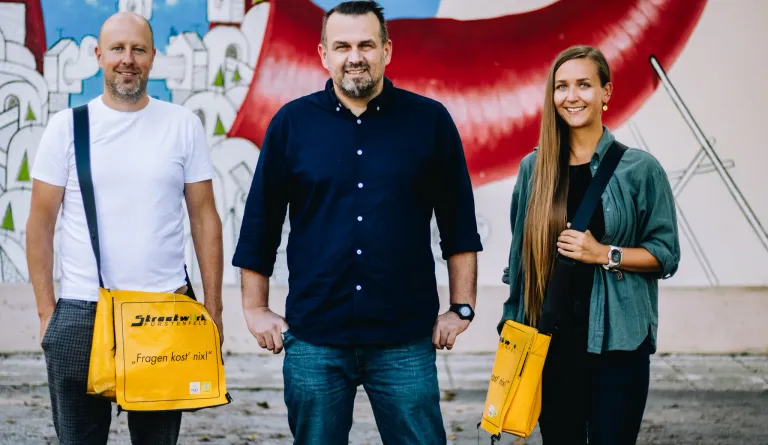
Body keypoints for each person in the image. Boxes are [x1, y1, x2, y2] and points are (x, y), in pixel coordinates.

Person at [232, 1, 483, 443]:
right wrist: (254, 308)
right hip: (315, 338)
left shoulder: (429, 122)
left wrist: (461, 306)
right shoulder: (292, 123)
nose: (355, 56)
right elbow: (260, 224)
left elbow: (458, 222)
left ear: (387, 50)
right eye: (343, 45)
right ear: (323, 54)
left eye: (366, 44)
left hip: (404, 338)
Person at [26, 12, 223, 445]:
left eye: (138, 49)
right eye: (117, 48)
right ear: (99, 55)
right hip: (82, 313)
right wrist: (47, 313)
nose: (127, 59)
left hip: (163, 310)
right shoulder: (66, 128)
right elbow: (40, 223)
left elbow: (205, 218)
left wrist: (214, 308)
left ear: (153, 57)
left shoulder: (182, 124)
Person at [499, 45, 680, 444]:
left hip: (618, 347)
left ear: (606, 92)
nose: (572, 95)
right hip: (550, 345)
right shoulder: (534, 169)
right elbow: (519, 263)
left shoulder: (640, 169)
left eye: (584, 84)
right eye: (561, 87)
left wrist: (604, 254)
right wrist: (511, 333)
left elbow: (666, 254)